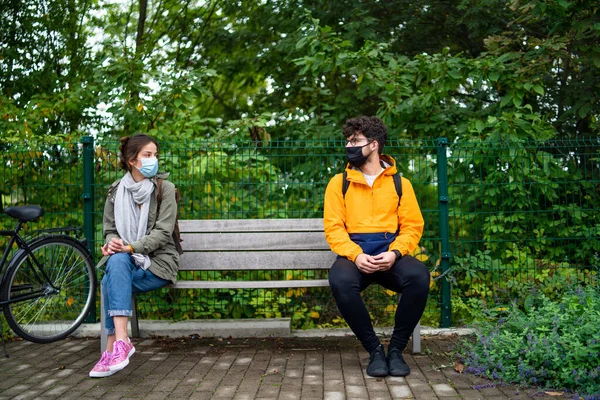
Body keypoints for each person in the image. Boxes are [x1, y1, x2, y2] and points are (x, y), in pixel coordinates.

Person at [323, 116, 430, 377]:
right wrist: (356, 256)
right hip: (355, 256)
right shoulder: (339, 183)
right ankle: (374, 351)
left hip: (389, 255)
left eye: (355, 141)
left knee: (419, 276)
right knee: (339, 280)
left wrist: (395, 253)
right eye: (347, 141)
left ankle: (395, 350)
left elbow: (412, 227)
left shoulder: (400, 184)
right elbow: (334, 228)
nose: (349, 145)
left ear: (373, 145)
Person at [89, 134, 180, 378]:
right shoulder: (115, 192)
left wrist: (129, 248)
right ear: (132, 160)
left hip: (158, 264)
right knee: (115, 261)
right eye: (147, 155)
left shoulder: (165, 189)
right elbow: (109, 231)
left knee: (110, 280)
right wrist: (112, 244)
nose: (154, 160)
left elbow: (162, 233)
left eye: (155, 155)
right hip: (126, 262)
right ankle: (121, 343)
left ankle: (111, 349)